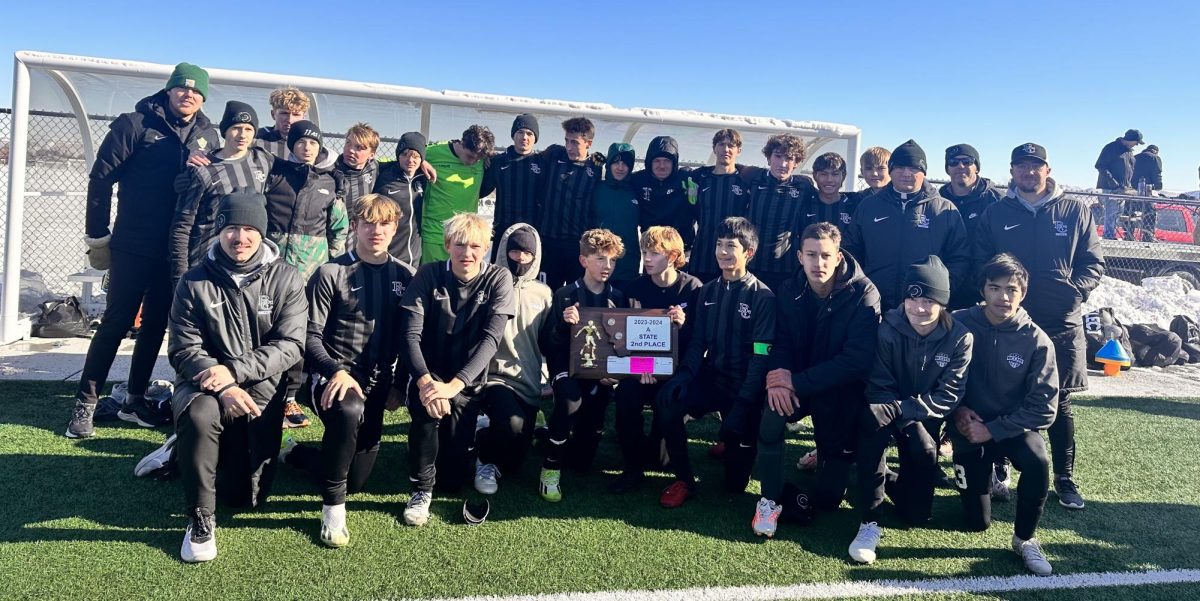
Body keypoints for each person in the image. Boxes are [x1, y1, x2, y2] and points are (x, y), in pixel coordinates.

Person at [67, 62, 221, 439]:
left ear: (202, 97)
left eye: (196, 91)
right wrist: (97, 235)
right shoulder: (134, 124)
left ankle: (134, 399)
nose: (188, 95)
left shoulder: (208, 134)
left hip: (177, 249)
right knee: (117, 321)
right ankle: (85, 403)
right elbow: (101, 180)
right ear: (168, 91)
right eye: (181, 89)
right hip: (133, 243)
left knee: (155, 325)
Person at [168, 191, 307, 562]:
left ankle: (181, 451)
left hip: (261, 390)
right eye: (231, 228)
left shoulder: (287, 278)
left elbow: (292, 344)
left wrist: (234, 372)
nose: (240, 237)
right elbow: (183, 349)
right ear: (219, 231)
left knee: (246, 498)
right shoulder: (194, 281)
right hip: (205, 388)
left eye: (249, 228)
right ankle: (200, 519)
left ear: (262, 233)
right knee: (200, 416)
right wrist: (224, 384)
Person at [279, 193, 415, 548]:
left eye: (384, 223)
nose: (376, 230)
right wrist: (336, 370)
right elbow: (308, 335)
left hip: (378, 385)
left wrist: (399, 385)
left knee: (356, 479)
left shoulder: (405, 275)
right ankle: (332, 510)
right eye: (368, 222)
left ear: (395, 227)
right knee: (349, 409)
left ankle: (296, 454)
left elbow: (408, 339)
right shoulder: (331, 272)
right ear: (354, 226)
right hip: (330, 379)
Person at [975, 142, 1104, 511]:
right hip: (1007, 320)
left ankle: (1064, 477)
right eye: (1022, 166)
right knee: (1002, 393)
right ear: (1012, 171)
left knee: (1059, 401)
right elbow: (982, 261)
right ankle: (999, 467)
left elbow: (1092, 262)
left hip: (1059, 321)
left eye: (1036, 166)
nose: (1029, 172)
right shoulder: (996, 212)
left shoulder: (1075, 210)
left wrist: (1074, 292)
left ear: (1047, 170)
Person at [753, 222, 880, 537]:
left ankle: (832, 456)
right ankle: (768, 501)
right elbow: (780, 341)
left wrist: (795, 381)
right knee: (771, 416)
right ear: (799, 256)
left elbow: (856, 361)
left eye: (825, 256)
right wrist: (780, 378)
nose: (818, 263)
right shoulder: (788, 289)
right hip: (799, 384)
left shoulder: (864, 293)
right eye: (811, 254)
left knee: (828, 500)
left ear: (838, 257)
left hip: (840, 391)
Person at [847, 256, 972, 563]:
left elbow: (948, 396)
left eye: (929, 300)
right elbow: (878, 384)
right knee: (872, 422)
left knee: (916, 513)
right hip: (885, 406)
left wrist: (905, 412)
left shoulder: (960, 338)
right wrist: (896, 412)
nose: (918, 308)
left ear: (942, 302)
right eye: (912, 298)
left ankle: (877, 477)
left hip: (921, 413)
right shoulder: (888, 327)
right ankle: (869, 518)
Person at [398, 213, 515, 526]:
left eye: (475, 246)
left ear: (487, 248)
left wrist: (455, 385)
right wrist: (425, 383)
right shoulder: (428, 274)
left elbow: (491, 340)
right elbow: (410, 336)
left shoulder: (498, 278)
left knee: (452, 480)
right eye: (460, 244)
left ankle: (474, 436)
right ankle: (421, 490)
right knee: (428, 412)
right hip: (429, 373)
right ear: (447, 245)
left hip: (467, 381)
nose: (468, 253)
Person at [952, 253, 1059, 576]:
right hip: (968, 426)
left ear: (1023, 293)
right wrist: (956, 411)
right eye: (995, 288)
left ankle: (1025, 539)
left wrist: (995, 429)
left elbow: (1045, 408)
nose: (1003, 296)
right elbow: (934, 375)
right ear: (983, 290)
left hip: (1012, 427)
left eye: (1011, 289)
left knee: (1038, 460)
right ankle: (986, 476)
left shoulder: (1037, 339)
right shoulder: (957, 322)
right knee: (976, 523)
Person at [656, 217, 774, 507]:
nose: (722, 252)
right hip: (714, 379)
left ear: (748, 252)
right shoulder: (707, 291)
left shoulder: (763, 297)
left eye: (730, 246)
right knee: (667, 402)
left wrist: (743, 405)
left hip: (744, 388)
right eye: (719, 245)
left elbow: (761, 356)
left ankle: (735, 443)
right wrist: (684, 375)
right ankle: (684, 479)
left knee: (735, 485)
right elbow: (699, 343)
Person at [264, 120, 349, 429]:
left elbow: (339, 229)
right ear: (293, 145)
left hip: (308, 275)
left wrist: (329, 266)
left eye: (313, 143)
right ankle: (262, 391)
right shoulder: (275, 175)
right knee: (266, 330)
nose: (307, 147)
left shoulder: (330, 183)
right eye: (301, 142)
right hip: (271, 273)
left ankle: (289, 398)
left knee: (299, 334)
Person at [609, 226, 702, 494]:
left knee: (662, 452)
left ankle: (678, 471)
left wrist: (683, 325)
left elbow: (698, 342)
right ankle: (632, 468)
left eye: (654, 253)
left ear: (673, 256)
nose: (647, 259)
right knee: (626, 397)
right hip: (642, 367)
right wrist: (640, 367)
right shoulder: (634, 288)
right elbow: (624, 338)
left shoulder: (692, 288)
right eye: (644, 252)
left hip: (676, 370)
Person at [540, 229, 627, 501]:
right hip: (567, 367)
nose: (607, 266)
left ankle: (542, 432)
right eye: (600, 259)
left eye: (612, 261)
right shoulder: (565, 295)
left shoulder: (618, 297)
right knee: (569, 401)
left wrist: (613, 374)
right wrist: (562, 325)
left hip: (600, 374)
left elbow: (621, 345)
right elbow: (548, 345)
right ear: (583, 260)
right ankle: (549, 469)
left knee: (581, 462)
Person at [844, 139, 971, 312]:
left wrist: (938, 292)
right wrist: (860, 288)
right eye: (899, 167)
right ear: (891, 170)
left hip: (923, 308)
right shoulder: (869, 206)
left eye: (913, 168)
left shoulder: (944, 210)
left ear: (923, 172)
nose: (906, 173)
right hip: (872, 303)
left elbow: (960, 257)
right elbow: (852, 251)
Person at [475, 223, 553, 495]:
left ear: (536, 255)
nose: (520, 258)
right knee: (512, 425)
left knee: (515, 463)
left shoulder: (543, 294)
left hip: (529, 381)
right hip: (494, 377)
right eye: (515, 251)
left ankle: (486, 430)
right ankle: (483, 455)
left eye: (527, 253)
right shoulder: (486, 282)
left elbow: (548, 342)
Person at [170, 101, 274, 284]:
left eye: (249, 129)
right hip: (206, 264)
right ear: (224, 130)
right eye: (236, 128)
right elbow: (182, 226)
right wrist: (180, 274)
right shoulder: (203, 168)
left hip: (245, 265)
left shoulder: (263, 160)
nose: (242, 135)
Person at [537, 117, 607, 289]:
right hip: (548, 243)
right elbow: (529, 158)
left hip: (576, 246)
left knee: (574, 296)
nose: (569, 147)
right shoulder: (554, 154)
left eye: (575, 142)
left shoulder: (596, 168)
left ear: (589, 143)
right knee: (547, 293)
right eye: (567, 141)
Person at [744, 133, 817, 291]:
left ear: (796, 163)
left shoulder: (804, 186)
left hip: (786, 267)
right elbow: (731, 168)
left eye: (790, 158)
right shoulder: (753, 177)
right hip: (752, 262)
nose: (783, 163)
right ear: (769, 158)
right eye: (778, 156)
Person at [938, 144, 1004, 308]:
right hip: (946, 286)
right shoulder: (937, 201)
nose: (960, 166)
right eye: (953, 162)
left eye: (967, 161)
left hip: (983, 290)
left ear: (977, 167)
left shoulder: (996, 201)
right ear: (947, 169)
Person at [420, 126, 495, 263]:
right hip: (434, 233)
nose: (473, 162)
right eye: (470, 156)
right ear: (461, 143)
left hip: (464, 237)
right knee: (431, 281)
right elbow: (405, 154)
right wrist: (420, 160)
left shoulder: (483, 159)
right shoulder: (433, 152)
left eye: (478, 159)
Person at [481, 114, 545, 259]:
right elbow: (480, 191)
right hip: (503, 231)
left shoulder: (542, 163)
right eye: (520, 132)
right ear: (513, 135)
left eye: (529, 133)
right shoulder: (497, 162)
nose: (524, 137)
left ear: (535, 138)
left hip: (532, 233)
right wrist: (481, 162)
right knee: (500, 275)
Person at [689, 129, 748, 282]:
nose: (726, 149)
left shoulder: (746, 181)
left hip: (732, 256)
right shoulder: (699, 178)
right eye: (721, 144)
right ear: (714, 148)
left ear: (738, 150)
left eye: (731, 145)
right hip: (703, 255)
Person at [632, 136, 695, 251]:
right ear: (649, 162)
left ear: (674, 163)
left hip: (680, 247)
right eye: (657, 161)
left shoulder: (686, 179)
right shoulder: (638, 180)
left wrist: (739, 169)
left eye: (667, 161)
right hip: (652, 247)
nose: (662, 166)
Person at [591, 143, 641, 286]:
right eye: (616, 162)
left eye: (625, 163)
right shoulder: (596, 188)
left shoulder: (637, 191)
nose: (620, 167)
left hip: (627, 264)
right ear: (608, 164)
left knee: (623, 306)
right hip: (598, 263)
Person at [374, 132, 428, 264]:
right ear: (398, 156)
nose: (410, 160)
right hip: (389, 256)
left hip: (415, 258)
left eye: (416, 156)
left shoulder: (423, 177)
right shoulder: (384, 175)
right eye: (405, 155)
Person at [256, 87, 332, 167]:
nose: (290, 120)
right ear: (273, 114)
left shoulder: (311, 144)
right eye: (284, 113)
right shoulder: (255, 139)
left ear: (303, 117)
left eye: (296, 114)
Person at [1094, 129, 1142, 240]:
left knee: (1118, 212)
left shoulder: (1129, 152)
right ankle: (1108, 235)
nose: (1137, 145)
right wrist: (1113, 183)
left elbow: (1129, 169)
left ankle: (1111, 234)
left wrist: (1127, 185)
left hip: (1123, 188)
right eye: (1136, 142)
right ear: (1130, 140)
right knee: (1111, 212)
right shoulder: (1111, 148)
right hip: (1111, 188)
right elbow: (1100, 165)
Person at [800, 152, 860, 236]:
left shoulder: (856, 204)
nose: (829, 179)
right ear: (814, 176)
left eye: (835, 174)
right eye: (824, 174)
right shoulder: (803, 204)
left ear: (843, 176)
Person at [332, 123, 381, 210]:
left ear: (371, 155)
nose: (350, 150)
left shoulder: (374, 167)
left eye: (358, 147)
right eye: (348, 143)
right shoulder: (331, 170)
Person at [1131, 144, 1163, 241]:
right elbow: (1157, 173)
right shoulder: (1155, 158)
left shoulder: (1134, 157)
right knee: (1150, 213)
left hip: (1132, 191)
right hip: (1147, 190)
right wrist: (1158, 185)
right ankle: (1147, 235)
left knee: (1130, 213)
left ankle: (1128, 234)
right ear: (1155, 151)